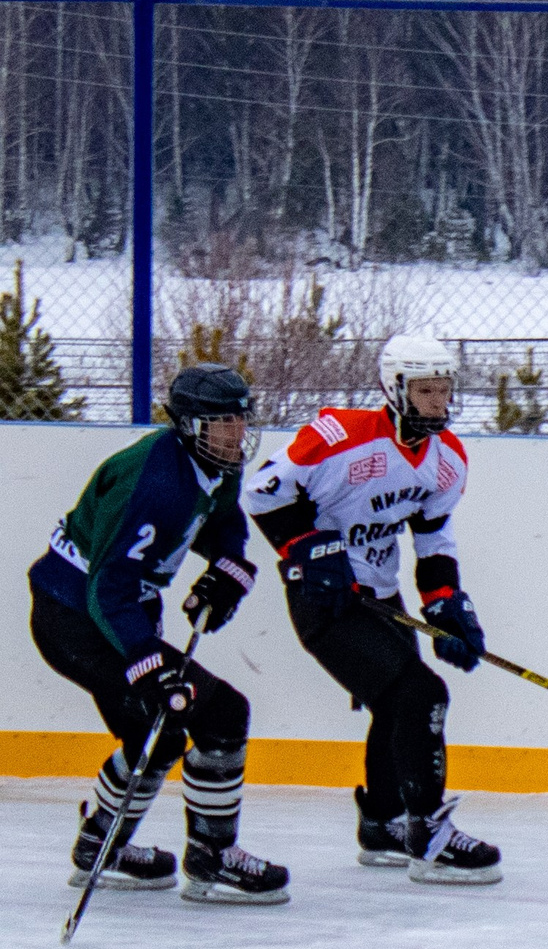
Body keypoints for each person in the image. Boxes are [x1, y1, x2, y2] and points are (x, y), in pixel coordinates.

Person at [243, 333, 500, 885]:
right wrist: (309, 549)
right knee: (422, 694)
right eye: (424, 389)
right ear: (394, 387)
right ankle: (428, 833)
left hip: (381, 598)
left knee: (397, 705)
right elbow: (261, 494)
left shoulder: (448, 458)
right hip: (326, 600)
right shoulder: (339, 437)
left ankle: (383, 824)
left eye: (443, 388)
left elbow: (432, 539)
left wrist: (446, 604)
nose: (437, 400)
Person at [27, 364, 288, 905]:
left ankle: (102, 846)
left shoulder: (214, 461)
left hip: (113, 612)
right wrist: (145, 659)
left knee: (160, 733)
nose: (237, 433)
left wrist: (228, 570)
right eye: (222, 423)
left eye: (241, 419)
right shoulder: (154, 484)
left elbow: (222, 520)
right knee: (219, 713)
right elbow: (107, 588)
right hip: (75, 618)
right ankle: (212, 858)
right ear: (189, 425)